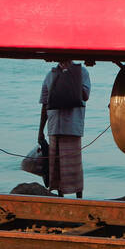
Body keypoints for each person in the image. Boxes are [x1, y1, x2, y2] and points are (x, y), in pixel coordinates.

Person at [38, 60, 92, 198]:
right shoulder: (51, 74)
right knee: (56, 168)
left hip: (72, 126)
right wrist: (40, 131)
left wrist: (71, 75)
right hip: (54, 126)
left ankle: (79, 199)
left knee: (73, 167)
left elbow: (85, 95)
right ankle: (60, 198)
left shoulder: (82, 72)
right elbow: (45, 104)